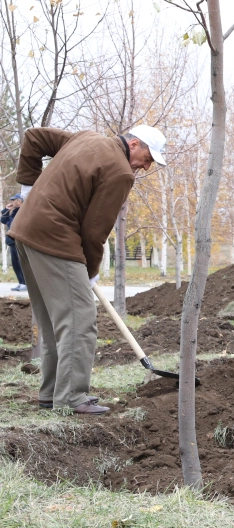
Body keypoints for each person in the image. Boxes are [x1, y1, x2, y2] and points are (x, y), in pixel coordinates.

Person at [10, 125, 165, 414]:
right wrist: (90, 269)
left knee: (54, 321)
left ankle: (51, 394)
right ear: (134, 144)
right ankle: (70, 397)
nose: (146, 166)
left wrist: (27, 189)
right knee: (80, 320)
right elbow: (94, 232)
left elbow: (34, 136)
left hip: (24, 233)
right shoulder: (120, 172)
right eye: (148, 158)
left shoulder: (87, 138)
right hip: (54, 240)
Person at [2, 195, 26, 291]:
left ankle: (25, 283)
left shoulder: (22, 211)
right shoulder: (13, 212)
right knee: (15, 264)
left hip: (18, 241)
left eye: (13, 200)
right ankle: (21, 283)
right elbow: (3, 220)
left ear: (20, 201)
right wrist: (6, 210)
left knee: (21, 263)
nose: (11, 202)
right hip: (11, 242)